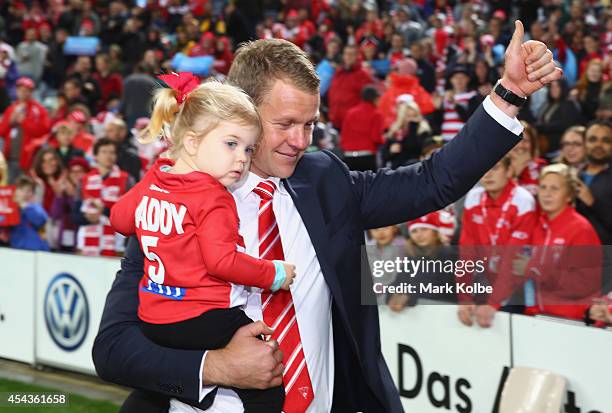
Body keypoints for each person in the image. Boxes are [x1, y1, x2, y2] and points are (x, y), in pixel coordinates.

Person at [93, 23, 562, 413]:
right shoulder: (172, 205)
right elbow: (113, 348)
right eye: (285, 125)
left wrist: (509, 94)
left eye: (310, 124)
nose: (301, 141)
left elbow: (433, 180)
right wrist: (216, 368)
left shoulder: (325, 180)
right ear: (243, 112)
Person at [111, 77, 296, 412]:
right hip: (200, 316)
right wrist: (274, 274)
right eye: (231, 144)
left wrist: (154, 201)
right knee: (267, 375)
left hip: (152, 318)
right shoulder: (213, 197)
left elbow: (120, 220)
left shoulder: (156, 177)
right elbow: (222, 262)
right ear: (193, 143)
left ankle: (193, 392)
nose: (242, 158)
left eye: (248, 148)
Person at [457, 156, 537, 328]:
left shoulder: (523, 200)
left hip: (517, 287)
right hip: (486, 281)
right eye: (484, 169)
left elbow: (513, 260)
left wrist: (493, 303)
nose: (487, 174)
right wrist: (464, 296)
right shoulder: (473, 197)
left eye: (495, 168)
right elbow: (467, 254)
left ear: (509, 171)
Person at [522, 164, 602, 320]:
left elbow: (585, 284)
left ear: (569, 195)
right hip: (538, 317)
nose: (547, 194)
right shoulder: (537, 226)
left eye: (554, 189)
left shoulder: (581, 229)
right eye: (543, 187)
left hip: (572, 322)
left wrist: (537, 269)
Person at [76, 138, 129, 256]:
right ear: (96, 156)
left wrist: (104, 211)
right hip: (87, 242)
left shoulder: (126, 179)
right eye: (104, 152)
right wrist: (88, 218)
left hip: (116, 244)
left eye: (112, 152)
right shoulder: (85, 180)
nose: (108, 156)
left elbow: (130, 213)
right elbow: (74, 213)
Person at [0, 76, 51, 180]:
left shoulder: (39, 110)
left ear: (31, 92)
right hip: (10, 157)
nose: (23, 93)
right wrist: (10, 122)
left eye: (26, 90)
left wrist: (24, 121)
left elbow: (43, 131)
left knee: (25, 187)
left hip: (29, 158)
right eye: (21, 90)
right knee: (10, 187)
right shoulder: (11, 109)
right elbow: (1, 132)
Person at [575, 120, 612, 245]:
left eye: (606, 141)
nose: (599, 145)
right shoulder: (573, 175)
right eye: (593, 139)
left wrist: (593, 203)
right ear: (584, 143)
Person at [339, 85, 384, 171]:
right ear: (374, 98)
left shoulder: (350, 112)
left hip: (349, 155)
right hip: (367, 155)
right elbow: (376, 138)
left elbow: (344, 135)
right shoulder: (376, 114)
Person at [9, 175, 49, 251]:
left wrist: (24, 205)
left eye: (28, 190)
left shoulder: (35, 207)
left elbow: (40, 221)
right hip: (16, 249)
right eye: (21, 189)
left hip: (36, 251)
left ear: (32, 194)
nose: (25, 193)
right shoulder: (10, 208)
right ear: (14, 191)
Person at [508, 121, 547, 195]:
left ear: (533, 144)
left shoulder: (541, 166)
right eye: (517, 140)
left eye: (526, 141)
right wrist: (516, 171)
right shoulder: (499, 166)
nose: (520, 145)